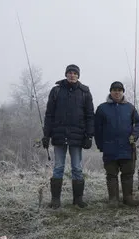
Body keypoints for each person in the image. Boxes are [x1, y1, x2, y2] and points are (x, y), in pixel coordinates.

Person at [42, 64, 95, 209]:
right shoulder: (56, 91)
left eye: (75, 73)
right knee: (58, 167)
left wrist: (89, 136)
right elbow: (49, 115)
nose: (72, 75)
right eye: (70, 73)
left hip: (77, 137)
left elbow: (90, 115)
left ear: (78, 76)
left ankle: (78, 199)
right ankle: (55, 200)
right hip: (59, 136)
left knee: (77, 168)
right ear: (66, 74)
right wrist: (46, 135)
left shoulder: (85, 92)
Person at [94, 81, 139, 206]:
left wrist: (135, 135)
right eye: (114, 90)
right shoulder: (102, 108)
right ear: (110, 92)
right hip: (109, 147)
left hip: (127, 146)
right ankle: (113, 199)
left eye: (119, 90)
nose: (117, 92)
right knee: (111, 175)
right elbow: (97, 128)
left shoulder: (130, 107)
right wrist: (100, 145)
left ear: (122, 92)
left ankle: (128, 198)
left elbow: (138, 123)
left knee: (128, 174)